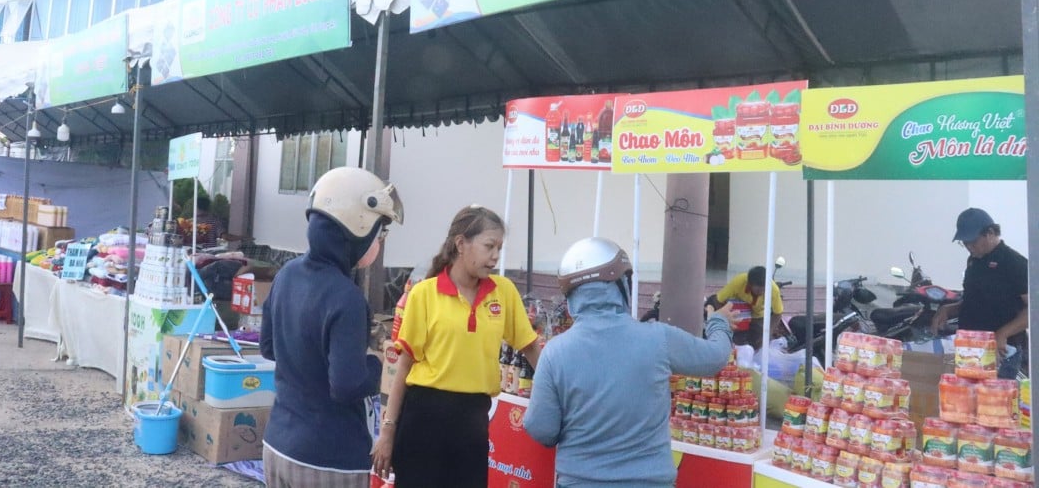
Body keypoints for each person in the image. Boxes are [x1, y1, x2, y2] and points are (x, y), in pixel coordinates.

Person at [524, 237, 736, 488]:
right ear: (622, 286)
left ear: (571, 297)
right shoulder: (658, 338)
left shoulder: (555, 353)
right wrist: (719, 322)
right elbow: (714, 357)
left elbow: (541, 428)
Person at [371, 205, 541, 488]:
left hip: (472, 424)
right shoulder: (424, 294)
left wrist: (558, 392)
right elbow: (403, 368)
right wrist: (387, 432)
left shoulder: (504, 292)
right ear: (461, 243)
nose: (496, 256)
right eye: (489, 246)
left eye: (499, 247)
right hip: (422, 420)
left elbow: (531, 348)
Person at [260, 166, 403, 488]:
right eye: (380, 233)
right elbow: (347, 385)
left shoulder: (287, 273)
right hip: (328, 459)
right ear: (357, 229)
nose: (380, 242)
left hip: (278, 443)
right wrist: (375, 364)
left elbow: (268, 347)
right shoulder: (346, 298)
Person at [932, 208, 1028, 379]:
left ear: (990, 233)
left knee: (993, 404)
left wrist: (1002, 334)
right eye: (965, 243)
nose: (969, 247)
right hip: (970, 350)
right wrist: (949, 309)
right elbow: (977, 301)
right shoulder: (973, 262)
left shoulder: (1014, 263)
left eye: (972, 242)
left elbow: (1033, 310)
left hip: (1002, 352)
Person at [706, 264, 783, 349]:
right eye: (758, 290)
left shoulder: (773, 289)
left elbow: (778, 314)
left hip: (757, 316)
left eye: (764, 289)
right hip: (735, 312)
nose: (761, 292)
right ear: (750, 284)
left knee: (758, 341)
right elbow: (718, 300)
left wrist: (768, 333)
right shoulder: (739, 281)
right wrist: (726, 320)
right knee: (711, 303)